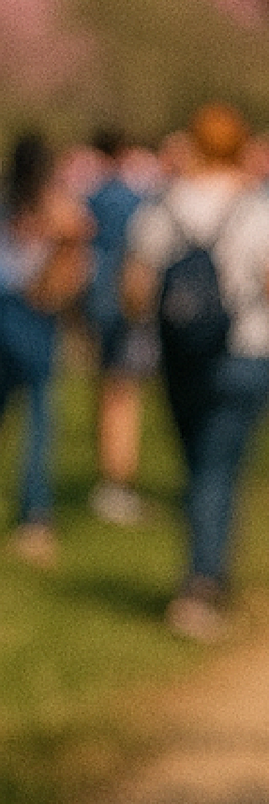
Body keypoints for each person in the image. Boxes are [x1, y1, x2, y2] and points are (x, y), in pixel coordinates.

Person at [123, 102, 269, 636]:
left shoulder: (161, 208)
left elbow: (136, 289)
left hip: (181, 356)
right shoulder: (264, 210)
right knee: (219, 467)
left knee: (198, 465)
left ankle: (207, 571)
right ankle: (203, 583)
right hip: (247, 353)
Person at [0, 131, 91, 564]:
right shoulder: (54, 204)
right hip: (33, 315)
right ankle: (35, 517)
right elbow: (77, 243)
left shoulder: (8, 199)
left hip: (4, 307)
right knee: (39, 417)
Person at [79, 129, 159, 525]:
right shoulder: (135, 200)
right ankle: (117, 483)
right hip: (127, 307)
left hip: (97, 303)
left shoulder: (91, 198)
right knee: (123, 396)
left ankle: (110, 479)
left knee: (108, 390)